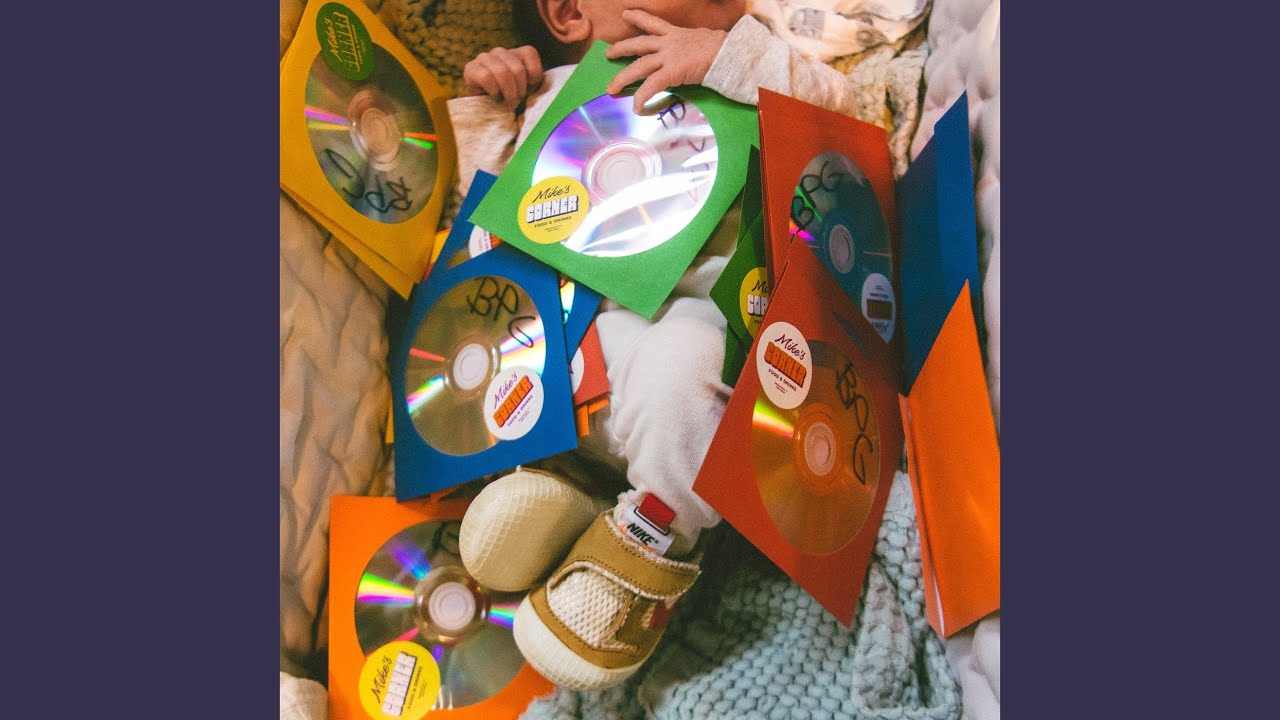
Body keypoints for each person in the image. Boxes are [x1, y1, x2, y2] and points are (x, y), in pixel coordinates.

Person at [446, 0, 872, 691]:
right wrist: (489, 106)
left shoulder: (745, 56)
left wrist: (729, 58)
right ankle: (570, 496)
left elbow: (838, 116)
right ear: (568, 13)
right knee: (514, 347)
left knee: (689, 365)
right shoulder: (550, 92)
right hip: (585, 359)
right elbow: (476, 224)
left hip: (703, 342)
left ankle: (645, 542)